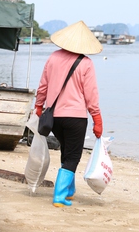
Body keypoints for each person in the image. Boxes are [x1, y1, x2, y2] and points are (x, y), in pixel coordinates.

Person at [34, 21, 103, 207]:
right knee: (73, 156)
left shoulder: (53, 58)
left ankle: (69, 191)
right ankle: (59, 196)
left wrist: (39, 106)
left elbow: (43, 86)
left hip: (54, 117)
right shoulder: (86, 63)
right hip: (76, 118)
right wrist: (97, 119)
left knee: (67, 151)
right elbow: (91, 95)